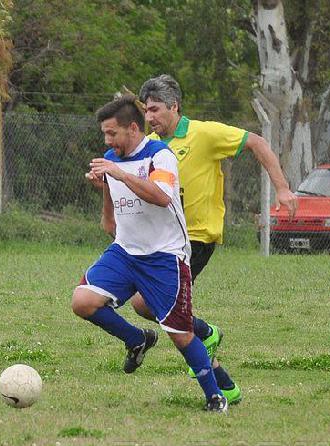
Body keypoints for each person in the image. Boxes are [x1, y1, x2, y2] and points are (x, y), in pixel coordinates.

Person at [118, 74, 298, 404]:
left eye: (156, 109)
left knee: (151, 306)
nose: (150, 117)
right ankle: (221, 374)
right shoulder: (151, 147)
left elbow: (257, 142)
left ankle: (208, 345)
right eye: (146, 111)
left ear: (174, 107)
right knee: (155, 310)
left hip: (195, 239)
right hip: (160, 240)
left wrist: (283, 188)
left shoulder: (204, 134)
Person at [73, 95, 227, 413]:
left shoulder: (160, 156)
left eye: (112, 133)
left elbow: (160, 196)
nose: (107, 140)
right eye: (104, 133)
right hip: (126, 252)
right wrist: (105, 185)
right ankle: (136, 340)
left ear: (133, 128)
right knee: (82, 302)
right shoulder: (111, 160)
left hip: (164, 256)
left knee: (180, 334)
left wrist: (120, 174)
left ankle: (216, 396)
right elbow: (109, 224)